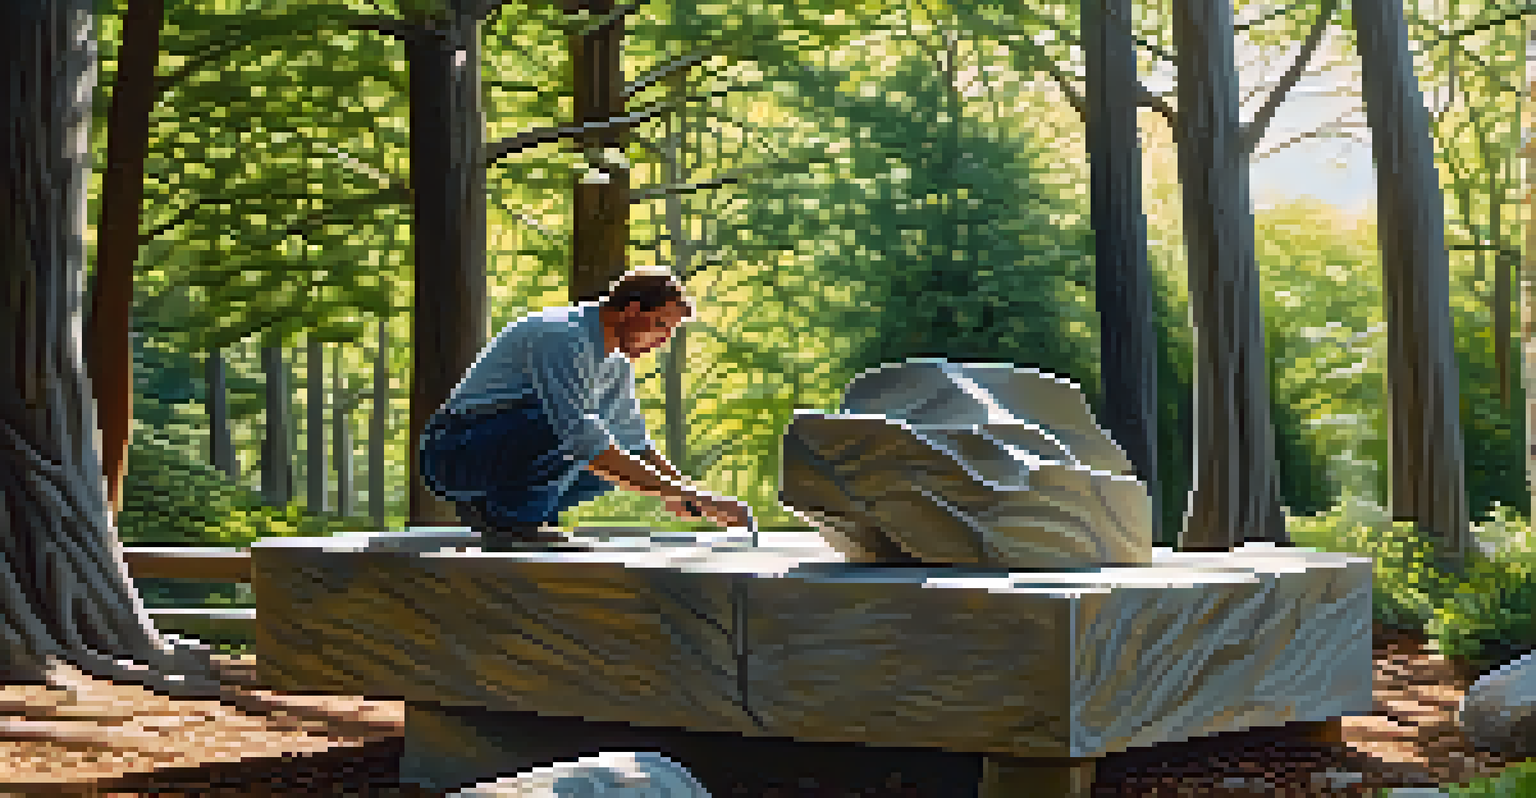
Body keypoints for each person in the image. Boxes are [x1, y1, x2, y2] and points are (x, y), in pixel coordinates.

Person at [418, 268, 754, 549]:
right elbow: (577, 435)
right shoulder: (563, 337)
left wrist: (694, 497)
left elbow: (634, 444)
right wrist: (677, 490)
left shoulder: (616, 362)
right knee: (571, 431)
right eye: (660, 326)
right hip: (453, 453)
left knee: (619, 458)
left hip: (501, 453)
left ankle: (499, 512)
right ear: (631, 311)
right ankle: (514, 524)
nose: (663, 341)